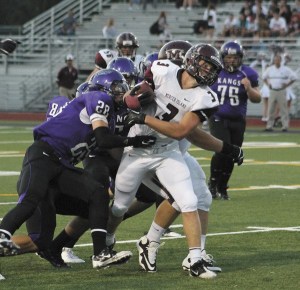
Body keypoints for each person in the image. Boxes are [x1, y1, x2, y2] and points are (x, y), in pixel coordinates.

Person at [106, 43, 243, 278]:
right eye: (205, 64)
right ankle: (106, 243)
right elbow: (132, 96)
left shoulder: (205, 97)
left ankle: (195, 257)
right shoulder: (162, 68)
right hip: (137, 149)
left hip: (168, 151)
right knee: (119, 205)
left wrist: (142, 117)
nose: (209, 71)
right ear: (191, 60)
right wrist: (134, 97)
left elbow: (183, 131)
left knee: (190, 199)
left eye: (212, 68)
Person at [0, 69, 156, 268]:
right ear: (103, 88)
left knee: (95, 199)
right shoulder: (98, 97)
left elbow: (113, 146)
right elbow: (102, 138)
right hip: (44, 156)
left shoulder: (112, 114)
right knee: (30, 201)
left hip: (60, 167)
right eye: (117, 88)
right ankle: (2, 235)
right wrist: (133, 140)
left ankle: (100, 254)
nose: (120, 92)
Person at [208, 41, 261, 200]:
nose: (231, 60)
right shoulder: (215, 71)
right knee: (222, 149)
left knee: (233, 154)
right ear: (223, 57)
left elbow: (257, 98)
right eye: (228, 57)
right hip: (217, 117)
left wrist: (249, 88)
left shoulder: (248, 73)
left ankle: (223, 187)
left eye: (235, 57)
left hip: (237, 121)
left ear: (241, 58)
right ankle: (212, 184)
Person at [263, 54, 297, 132]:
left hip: (281, 91)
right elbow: (264, 77)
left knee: (283, 109)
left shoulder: (285, 69)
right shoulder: (270, 69)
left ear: (280, 61)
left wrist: (287, 85)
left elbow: (294, 77)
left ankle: (285, 126)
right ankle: (269, 126)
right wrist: (268, 85)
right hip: (272, 91)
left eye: (278, 60)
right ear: (274, 61)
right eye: (275, 60)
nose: (276, 61)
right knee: (271, 109)